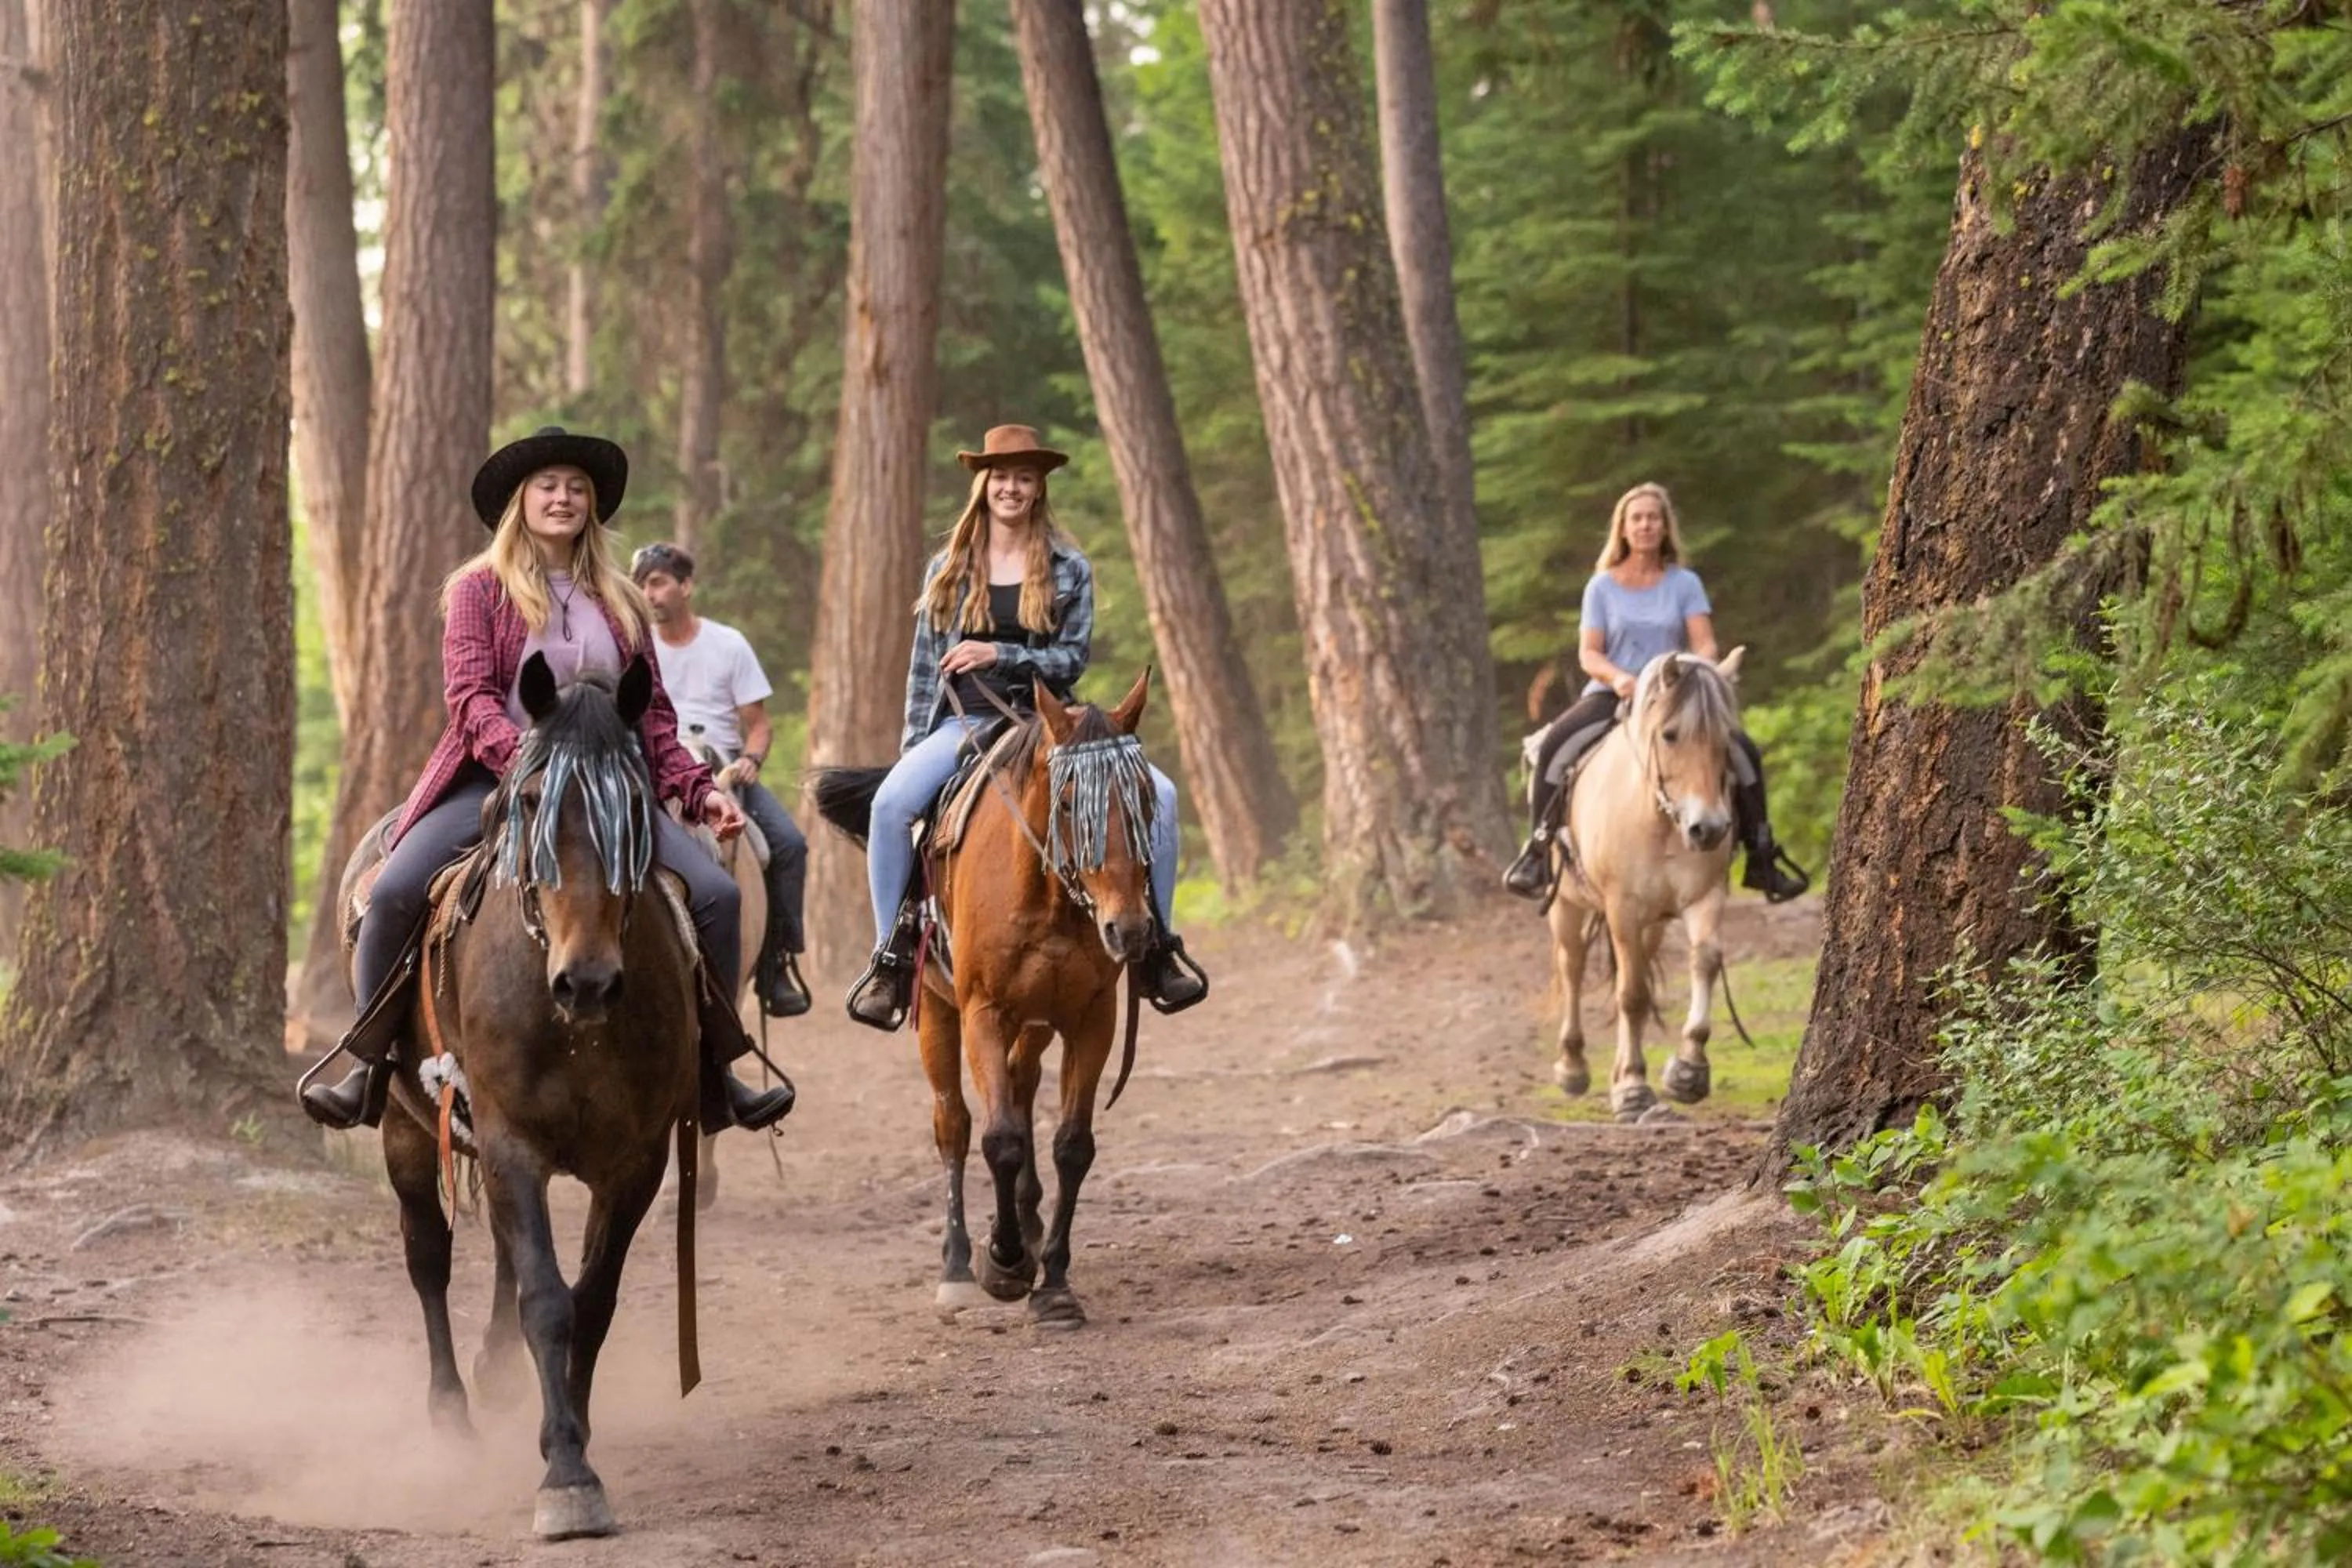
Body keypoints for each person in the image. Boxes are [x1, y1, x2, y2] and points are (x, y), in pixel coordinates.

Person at [297, 426, 795, 1133]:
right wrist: (530, 762)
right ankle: (368, 1065)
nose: (563, 498)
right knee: (396, 891)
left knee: (715, 892)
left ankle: (714, 1071)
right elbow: (470, 699)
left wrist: (699, 790)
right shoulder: (478, 590)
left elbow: (653, 716)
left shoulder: (622, 599)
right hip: (498, 779)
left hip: (611, 790)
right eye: (548, 486)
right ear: (520, 502)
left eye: (577, 488)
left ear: (592, 506)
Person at [844, 423, 1208, 1030]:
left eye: (1025, 478)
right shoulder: (949, 567)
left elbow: (1072, 659)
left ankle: (1159, 948)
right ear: (983, 484)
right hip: (966, 721)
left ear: (1039, 489)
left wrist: (998, 654)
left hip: (1050, 723)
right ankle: (891, 954)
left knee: (1163, 797)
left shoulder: (1070, 566)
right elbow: (923, 669)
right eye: (1002, 477)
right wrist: (913, 747)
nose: (1012, 488)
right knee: (888, 806)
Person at [1502, 481, 1809, 903]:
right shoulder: (1601, 587)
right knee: (1557, 744)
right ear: (1623, 529)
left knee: (1742, 750)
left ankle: (1762, 855)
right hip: (1616, 692)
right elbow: (1589, 654)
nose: (1646, 525)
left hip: (1673, 695)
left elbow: (1705, 643)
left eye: (1653, 518)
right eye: (1638, 518)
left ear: (1665, 527)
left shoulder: (1685, 583)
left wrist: (1696, 670)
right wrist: (1620, 679)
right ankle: (1537, 852)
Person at [630, 540, 812, 1019]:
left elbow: (759, 723)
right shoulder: (633, 646)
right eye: (641, 585)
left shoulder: (728, 644)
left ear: (686, 586)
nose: (648, 594)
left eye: (657, 582)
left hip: (723, 766)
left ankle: (776, 963)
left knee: (788, 844)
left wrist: (752, 758)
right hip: (660, 763)